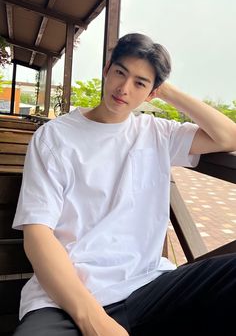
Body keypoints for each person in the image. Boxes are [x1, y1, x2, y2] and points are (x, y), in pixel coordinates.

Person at [12, 33, 236, 336]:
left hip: (146, 285)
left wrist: (164, 89)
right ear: (107, 70)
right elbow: (37, 235)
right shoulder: (55, 137)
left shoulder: (158, 133)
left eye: (140, 83)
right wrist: (94, 321)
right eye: (120, 72)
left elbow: (228, 136)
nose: (124, 88)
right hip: (64, 298)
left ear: (152, 92)